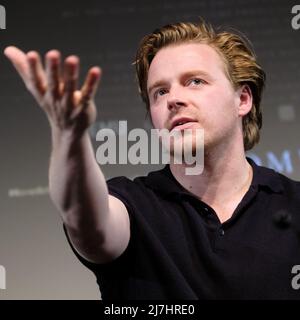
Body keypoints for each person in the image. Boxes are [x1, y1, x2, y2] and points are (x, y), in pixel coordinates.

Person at [4, 20, 300, 300]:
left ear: (243, 99)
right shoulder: (133, 205)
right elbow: (86, 222)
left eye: (195, 81)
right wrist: (69, 134)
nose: (173, 99)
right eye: (160, 92)